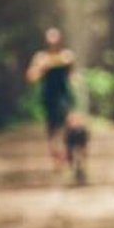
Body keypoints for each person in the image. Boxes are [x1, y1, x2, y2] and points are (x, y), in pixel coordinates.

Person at [25, 27, 77, 170]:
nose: (53, 43)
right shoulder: (41, 57)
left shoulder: (67, 55)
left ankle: (69, 152)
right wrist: (42, 68)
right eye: (50, 40)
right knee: (52, 129)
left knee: (69, 124)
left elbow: (73, 76)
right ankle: (56, 157)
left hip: (64, 95)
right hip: (49, 96)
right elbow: (30, 77)